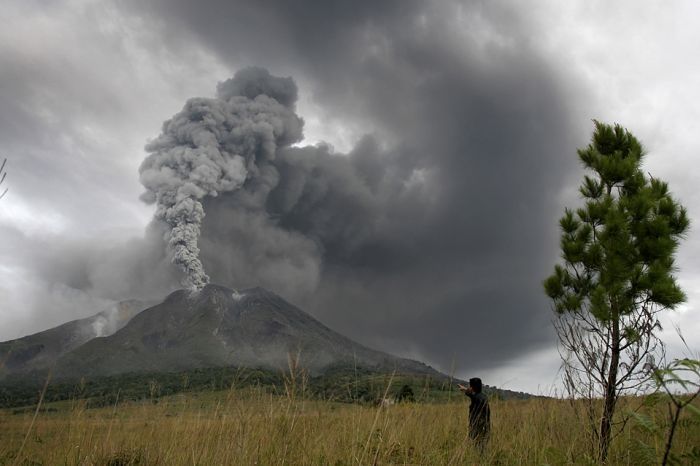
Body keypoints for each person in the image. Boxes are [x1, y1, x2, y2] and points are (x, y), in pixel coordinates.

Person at [458, 377, 490, 452]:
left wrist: (466, 390)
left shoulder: (477, 398)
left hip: (478, 427)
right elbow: (473, 395)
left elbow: (473, 396)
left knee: (478, 448)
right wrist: (465, 389)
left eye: (470, 386)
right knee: (481, 447)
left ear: (472, 388)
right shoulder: (483, 396)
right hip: (484, 427)